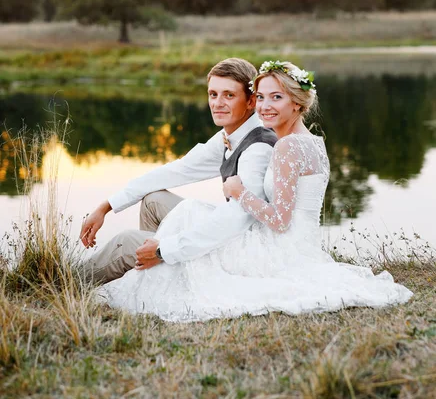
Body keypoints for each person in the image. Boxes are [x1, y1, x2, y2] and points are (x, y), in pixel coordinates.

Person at [97, 60, 412, 321]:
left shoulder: (286, 146)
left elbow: (279, 220)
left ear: (298, 102)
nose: (264, 106)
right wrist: (108, 205)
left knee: (188, 218)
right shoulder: (313, 143)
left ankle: (140, 267)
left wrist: (238, 191)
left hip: (279, 248)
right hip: (301, 246)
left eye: (276, 98)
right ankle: (151, 265)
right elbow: (182, 169)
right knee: (186, 213)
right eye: (261, 97)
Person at [80, 58, 277, 284]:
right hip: (232, 230)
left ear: (251, 100)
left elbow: (238, 218)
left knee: (125, 242)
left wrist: (165, 249)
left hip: (240, 246)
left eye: (229, 95)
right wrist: (105, 206)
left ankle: (62, 284)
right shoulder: (232, 134)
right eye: (213, 94)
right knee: (153, 199)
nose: (218, 103)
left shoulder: (257, 148)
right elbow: (176, 170)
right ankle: (153, 278)